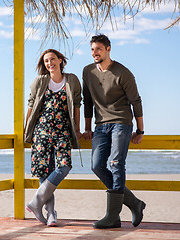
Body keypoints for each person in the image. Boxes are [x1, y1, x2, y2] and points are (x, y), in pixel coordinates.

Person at [82, 34, 146, 229]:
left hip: (121, 122)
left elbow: (136, 102)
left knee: (116, 163)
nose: (95, 53)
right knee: (97, 165)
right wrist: (87, 127)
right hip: (100, 125)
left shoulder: (123, 73)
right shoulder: (88, 72)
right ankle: (134, 203)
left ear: (108, 49)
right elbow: (88, 100)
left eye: (99, 49)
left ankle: (113, 216)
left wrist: (140, 130)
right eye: (92, 49)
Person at [24, 49, 82, 226]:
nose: (50, 63)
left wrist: (77, 130)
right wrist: (26, 129)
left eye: (52, 59)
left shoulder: (71, 80)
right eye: (46, 61)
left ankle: (36, 202)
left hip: (63, 131)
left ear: (60, 60)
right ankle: (51, 214)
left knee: (64, 167)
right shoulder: (40, 81)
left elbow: (77, 106)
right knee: (45, 172)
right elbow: (32, 106)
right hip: (41, 132)